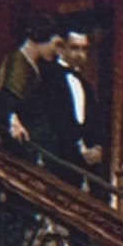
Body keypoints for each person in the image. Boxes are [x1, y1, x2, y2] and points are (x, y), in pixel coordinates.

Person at [43, 29, 107, 185]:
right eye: (74, 48)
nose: (80, 54)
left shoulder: (86, 87)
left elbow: (96, 122)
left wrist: (98, 148)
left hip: (83, 166)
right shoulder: (47, 78)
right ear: (61, 49)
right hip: (56, 160)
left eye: (84, 49)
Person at [0, 14, 63, 156]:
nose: (57, 51)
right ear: (40, 38)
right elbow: (6, 101)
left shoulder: (35, 65)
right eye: (55, 44)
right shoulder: (18, 62)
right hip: (22, 146)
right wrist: (13, 121)